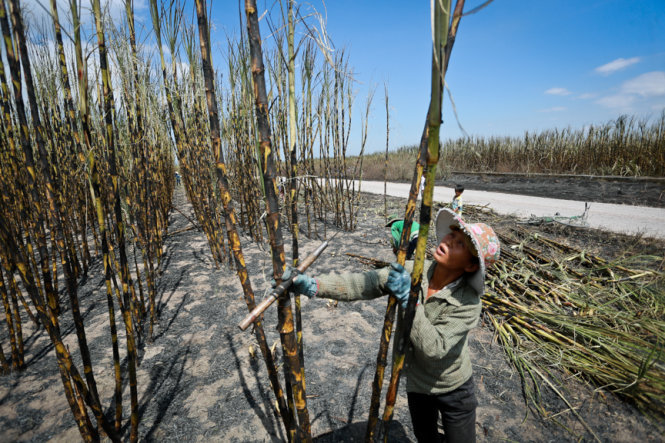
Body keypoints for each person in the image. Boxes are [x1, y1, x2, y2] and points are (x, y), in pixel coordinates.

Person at [280, 208, 500, 442]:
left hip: (454, 387)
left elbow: (436, 348)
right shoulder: (415, 270)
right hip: (418, 384)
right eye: (452, 235)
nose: (449, 240)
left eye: (460, 244)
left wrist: (410, 300)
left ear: (470, 266)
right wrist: (314, 285)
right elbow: (364, 283)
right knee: (426, 438)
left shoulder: (468, 303)